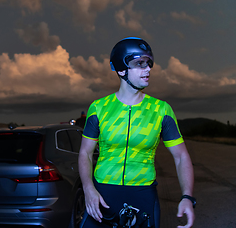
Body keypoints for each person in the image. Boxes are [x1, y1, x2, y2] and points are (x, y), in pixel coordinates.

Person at [78, 37, 195, 228]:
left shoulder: (161, 110)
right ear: (121, 68)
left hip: (143, 195)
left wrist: (187, 197)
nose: (148, 69)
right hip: (102, 194)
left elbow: (181, 156)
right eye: (139, 64)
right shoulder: (99, 108)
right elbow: (85, 152)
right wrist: (88, 188)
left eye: (149, 63)